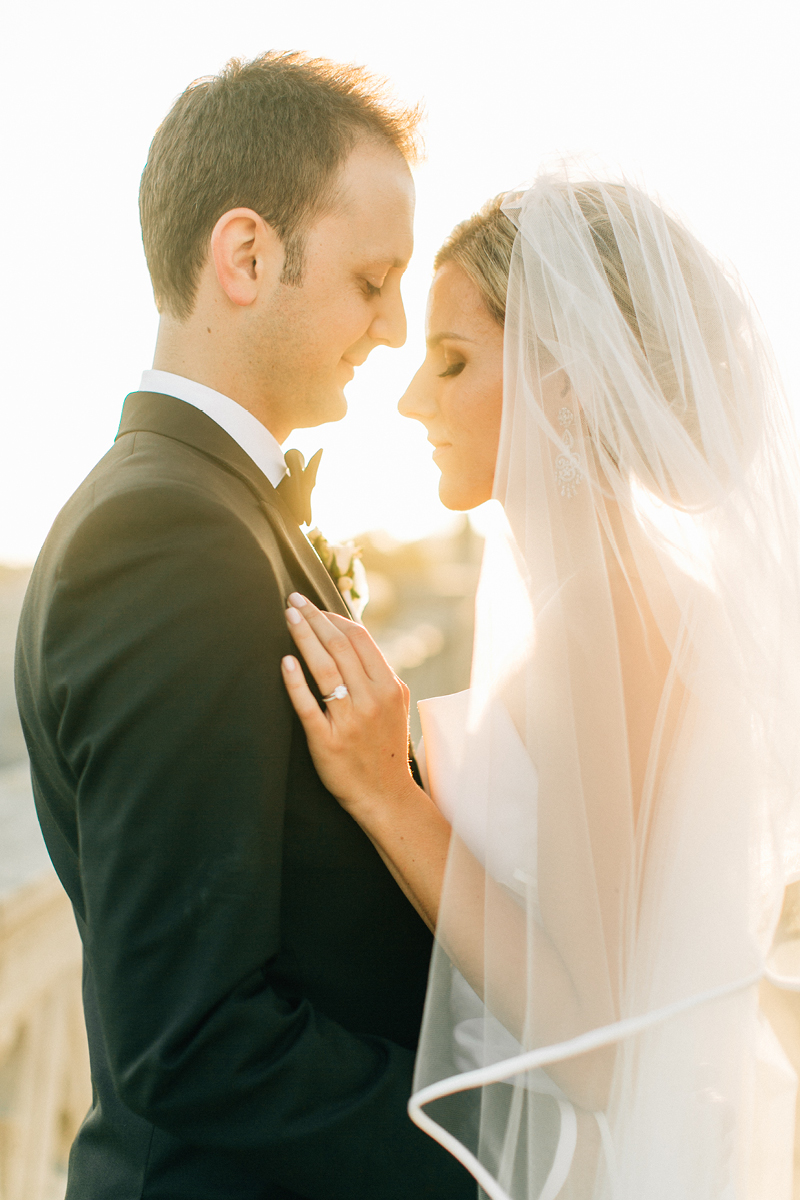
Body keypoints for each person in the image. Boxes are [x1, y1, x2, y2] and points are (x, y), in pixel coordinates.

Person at [281, 173, 800, 1198]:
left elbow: (598, 1044)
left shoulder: (607, 623)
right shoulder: (608, 603)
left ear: (564, 381)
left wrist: (389, 796)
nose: (412, 397)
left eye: (453, 360)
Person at [14, 52, 475, 1200]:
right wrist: (495, 1152)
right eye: (372, 280)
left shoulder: (199, 510)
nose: (388, 328)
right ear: (246, 255)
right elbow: (194, 1039)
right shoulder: (166, 541)